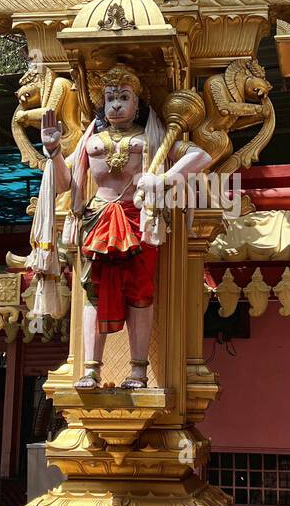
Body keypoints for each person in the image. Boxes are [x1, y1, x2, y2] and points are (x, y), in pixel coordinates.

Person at [28, 64, 209, 390]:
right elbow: (64, 184)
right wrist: (53, 151)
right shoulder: (89, 142)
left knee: (140, 293)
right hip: (96, 219)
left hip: (138, 219)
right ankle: (90, 370)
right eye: (110, 97)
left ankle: (138, 371)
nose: (115, 104)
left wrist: (163, 179)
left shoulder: (152, 139)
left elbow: (201, 156)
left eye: (124, 97)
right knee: (93, 293)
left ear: (137, 104)